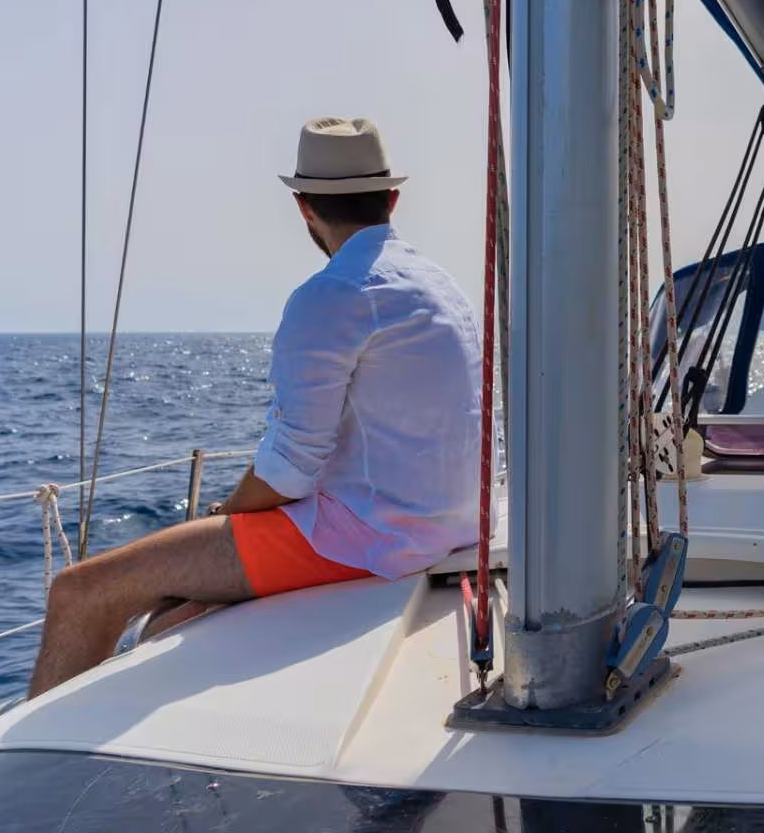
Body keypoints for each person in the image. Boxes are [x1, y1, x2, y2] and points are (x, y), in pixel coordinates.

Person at [28, 117, 482, 697]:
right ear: (392, 199)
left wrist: (226, 517)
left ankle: (38, 754)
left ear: (303, 206)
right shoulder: (443, 286)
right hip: (448, 524)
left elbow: (291, 465)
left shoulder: (335, 293)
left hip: (373, 538)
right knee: (170, 615)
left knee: (82, 591)